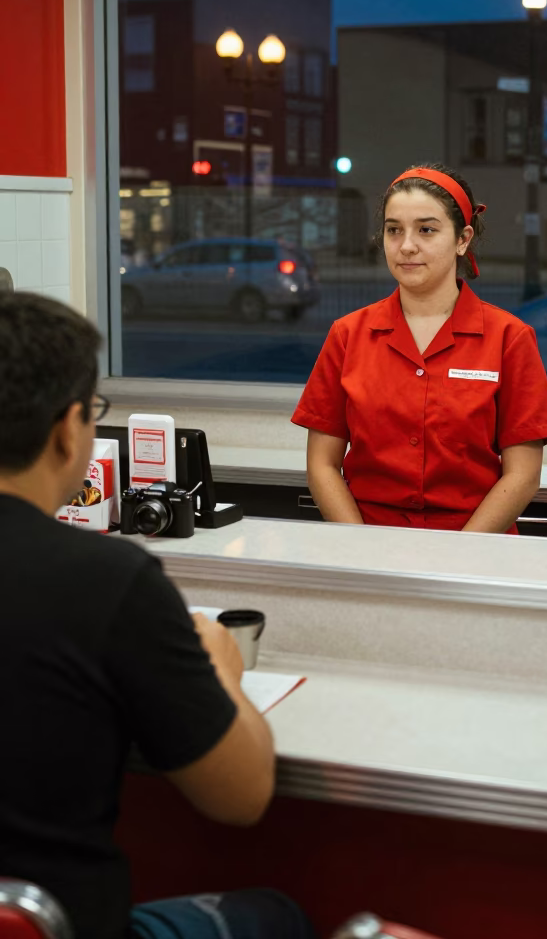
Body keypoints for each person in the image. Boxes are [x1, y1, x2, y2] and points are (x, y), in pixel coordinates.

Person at [0, 292, 314, 939]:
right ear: (68, 429)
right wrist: (220, 665)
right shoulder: (104, 581)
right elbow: (240, 796)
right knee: (273, 917)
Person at [293, 163, 547, 532]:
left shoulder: (508, 337)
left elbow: (523, 475)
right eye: (394, 230)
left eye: (426, 230)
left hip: (475, 546)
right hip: (370, 541)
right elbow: (322, 465)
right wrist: (360, 549)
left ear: (462, 239)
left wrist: (457, 557)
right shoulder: (347, 335)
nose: (406, 246)